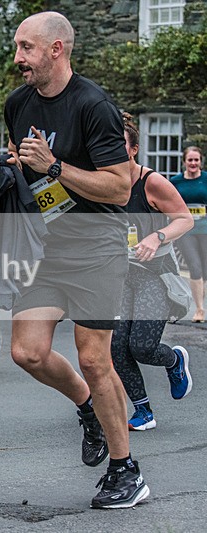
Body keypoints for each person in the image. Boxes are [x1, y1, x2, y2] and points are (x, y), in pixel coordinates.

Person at [4, 11, 148, 509]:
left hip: (97, 247)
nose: (18, 57)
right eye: (18, 47)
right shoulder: (17, 103)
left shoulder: (94, 106)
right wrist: (16, 168)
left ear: (56, 49)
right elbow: (24, 160)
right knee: (28, 352)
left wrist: (56, 167)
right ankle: (87, 408)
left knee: (93, 357)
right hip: (48, 248)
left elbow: (119, 186)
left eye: (26, 47)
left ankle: (125, 469)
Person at [110, 113, 193, 432]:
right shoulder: (106, 183)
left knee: (142, 347)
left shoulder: (151, 182)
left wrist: (156, 236)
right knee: (117, 346)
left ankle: (174, 360)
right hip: (121, 277)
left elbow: (184, 219)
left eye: (120, 146)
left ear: (133, 150)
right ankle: (143, 411)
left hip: (154, 275)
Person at [170, 146, 207, 322]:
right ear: (184, 162)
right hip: (185, 230)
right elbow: (166, 203)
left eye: (196, 160)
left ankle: (202, 300)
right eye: (190, 160)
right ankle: (199, 309)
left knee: (205, 269)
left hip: (205, 229)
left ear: (201, 161)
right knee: (195, 266)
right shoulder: (175, 182)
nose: (193, 163)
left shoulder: (206, 179)